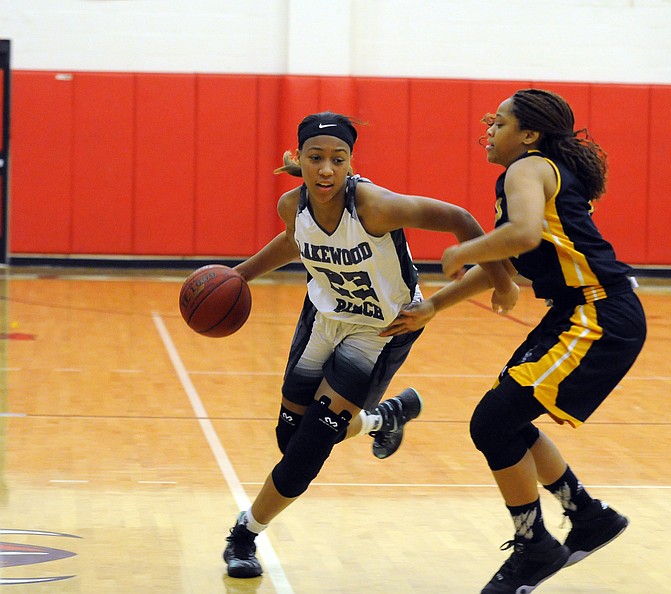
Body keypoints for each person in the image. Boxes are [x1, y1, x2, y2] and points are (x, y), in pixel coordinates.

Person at [221, 111, 518, 579]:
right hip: (323, 317)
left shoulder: (375, 206)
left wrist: (501, 281)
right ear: (299, 158)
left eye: (338, 160)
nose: (326, 169)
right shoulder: (289, 207)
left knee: (311, 447)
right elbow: (294, 243)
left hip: (381, 328)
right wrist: (239, 276)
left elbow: (460, 219)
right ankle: (385, 417)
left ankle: (244, 534)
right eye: (315, 159)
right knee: (289, 439)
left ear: (351, 163)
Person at [383, 89, 647, 593]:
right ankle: (588, 516)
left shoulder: (528, 169)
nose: (488, 128)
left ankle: (535, 545)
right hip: (580, 313)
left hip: (598, 313)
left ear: (528, 134)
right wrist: (435, 305)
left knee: (493, 421)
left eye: (498, 122)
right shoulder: (530, 176)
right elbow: (507, 260)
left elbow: (522, 235)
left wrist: (465, 248)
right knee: (505, 419)